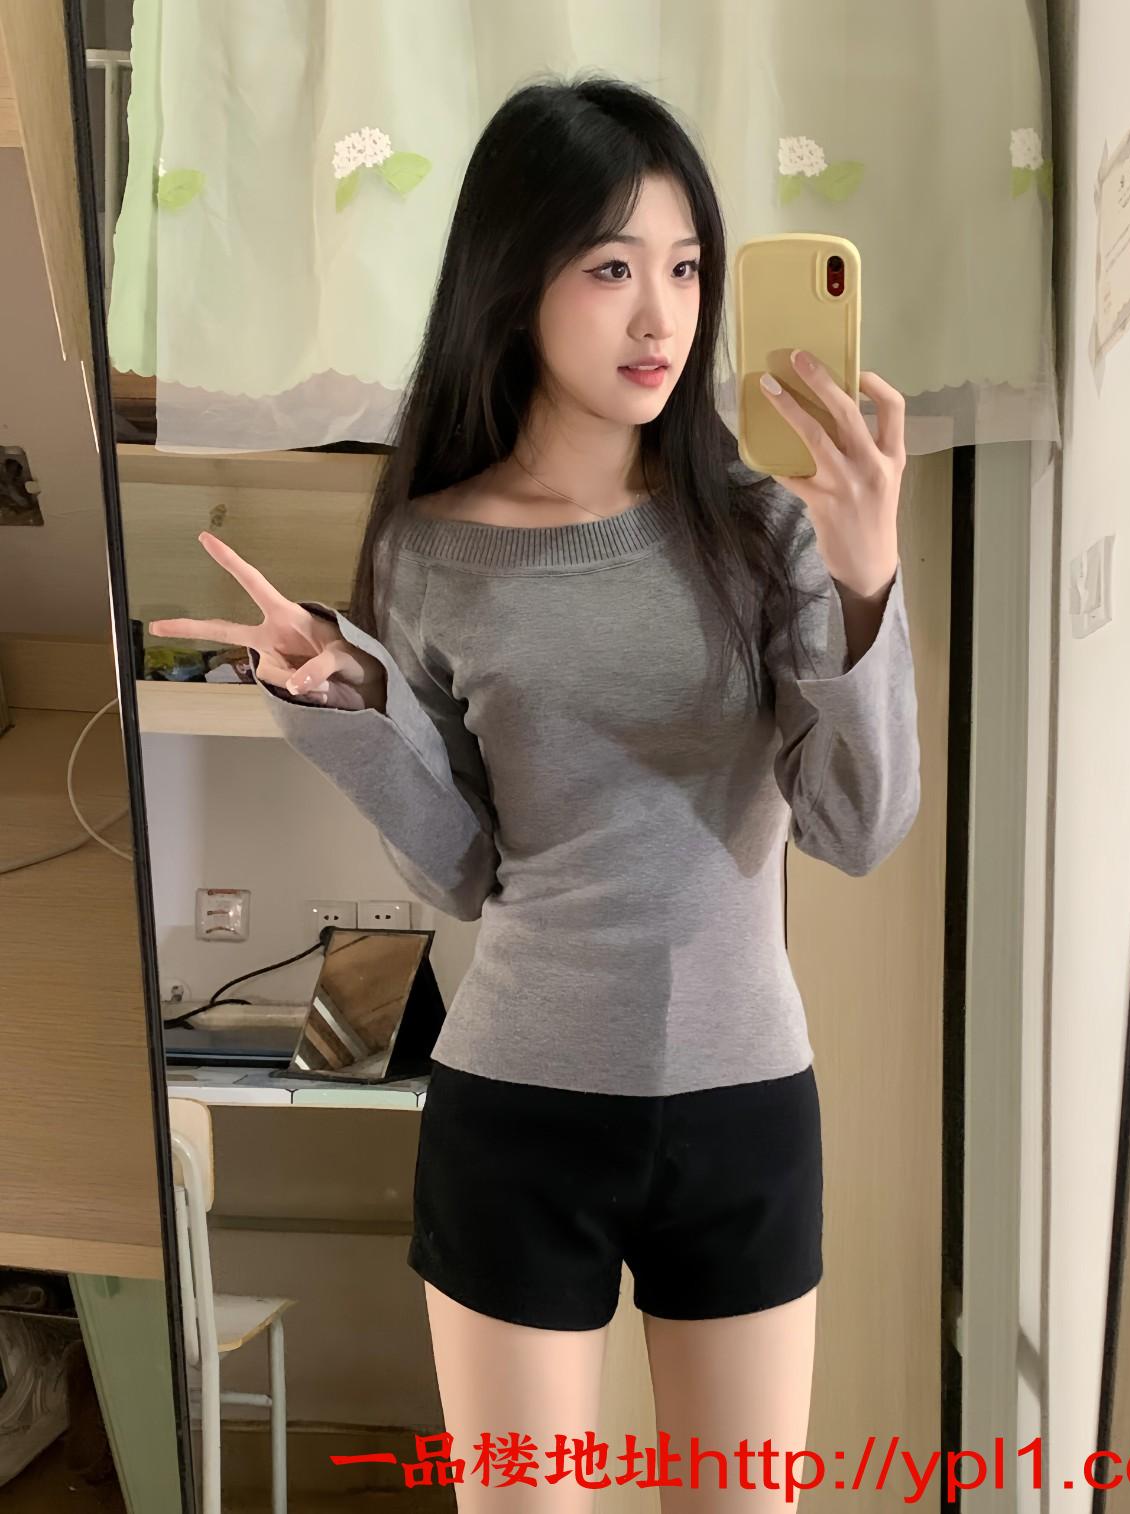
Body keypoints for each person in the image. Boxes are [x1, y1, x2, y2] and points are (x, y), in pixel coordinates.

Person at [149, 73, 918, 1513]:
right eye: (612, 268)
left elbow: (857, 825)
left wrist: (867, 583)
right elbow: (458, 867)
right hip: (517, 1108)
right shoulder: (429, 547)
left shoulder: (768, 526)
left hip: (746, 1105)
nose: (660, 317)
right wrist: (350, 708)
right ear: (515, 282)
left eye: (685, 268)